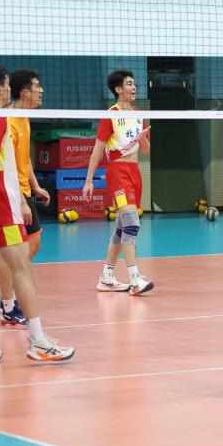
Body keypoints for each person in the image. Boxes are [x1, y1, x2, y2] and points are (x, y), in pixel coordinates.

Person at [0, 63, 74, 364]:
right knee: (22, 269)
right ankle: (39, 342)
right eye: (7, 85)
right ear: (0, 89)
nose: (10, 89)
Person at [83, 70, 154, 295]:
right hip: (117, 173)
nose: (134, 87)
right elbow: (97, 150)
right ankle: (135, 280)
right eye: (129, 84)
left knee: (122, 228)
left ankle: (106, 277)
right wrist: (88, 181)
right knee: (132, 224)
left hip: (134, 172)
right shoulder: (110, 115)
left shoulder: (138, 114)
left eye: (134, 84)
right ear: (118, 89)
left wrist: (142, 138)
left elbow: (146, 150)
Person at [0, 69, 51, 326]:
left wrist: (35, 186)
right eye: (37, 86)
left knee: (33, 243)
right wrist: (19, 201)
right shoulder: (7, 120)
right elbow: (6, 164)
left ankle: (9, 293)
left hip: (24, 191)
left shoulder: (23, 117)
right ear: (25, 92)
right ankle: (7, 305)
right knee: (12, 252)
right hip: (10, 194)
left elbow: (23, 156)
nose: (41, 90)